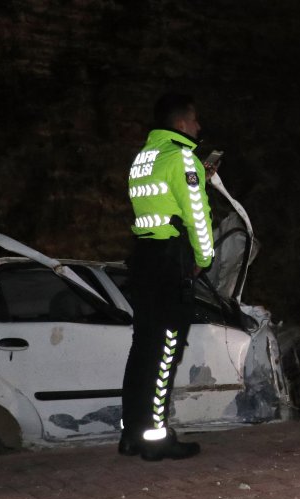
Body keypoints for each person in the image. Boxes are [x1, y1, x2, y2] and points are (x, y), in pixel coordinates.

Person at [117, 93, 215, 461]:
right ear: (180, 125)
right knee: (165, 350)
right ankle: (156, 440)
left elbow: (162, 202)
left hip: (143, 257)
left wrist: (197, 178)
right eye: (195, 119)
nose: (199, 126)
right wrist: (204, 256)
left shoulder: (144, 158)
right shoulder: (181, 157)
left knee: (142, 349)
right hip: (169, 260)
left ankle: (132, 434)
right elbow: (196, 214)